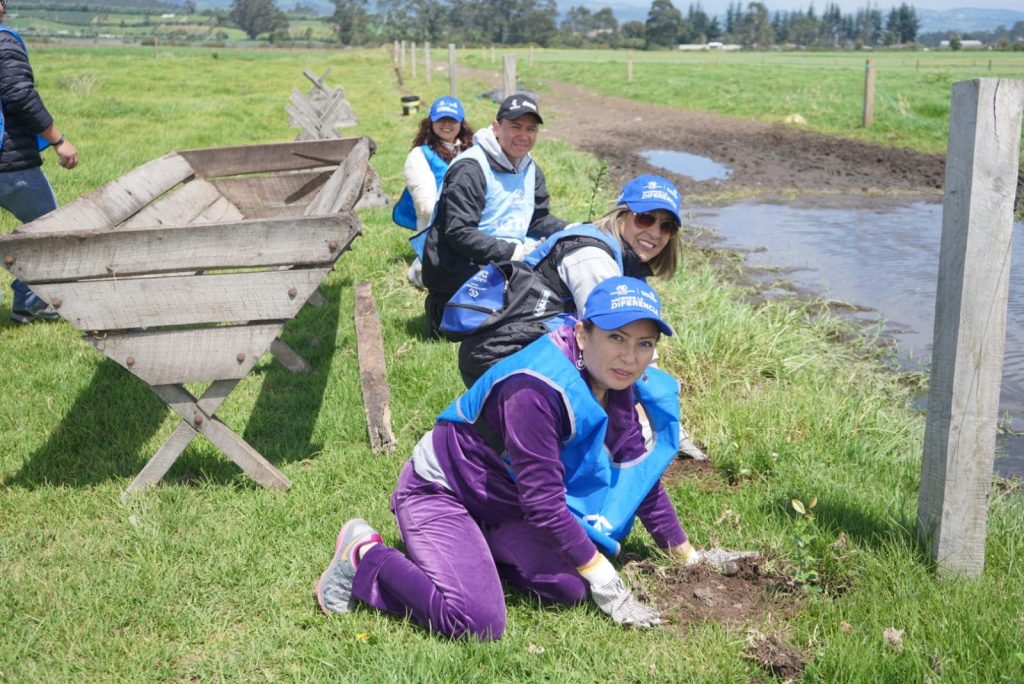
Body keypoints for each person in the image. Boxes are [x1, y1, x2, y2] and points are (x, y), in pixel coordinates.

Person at [315, 277, 756, 639]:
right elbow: (545, 505)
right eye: (616, 338)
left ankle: (473, 553)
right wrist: (607, 576)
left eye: (644, 344)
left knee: (567, 588)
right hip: (443, 491)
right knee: (477, 623)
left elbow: (636, 473)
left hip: (505, 502)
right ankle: (366, 559)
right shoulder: (534, 390)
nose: (629, 356)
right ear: (583, 334)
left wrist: (687, 556)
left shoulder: (614, 379)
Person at [450, 173, 708, 459]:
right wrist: (658, 424)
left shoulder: (624, 259)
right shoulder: (593, 258)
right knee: (610, 363)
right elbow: (622, 342)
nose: (655, 233)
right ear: (622, 215)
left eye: (667, 226)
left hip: (530, 351)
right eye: (645, 218)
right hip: (502, 357)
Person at [419, 93, 567, 338]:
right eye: (515, 126)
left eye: (531, 129)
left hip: (504, 263)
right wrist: (514, 252)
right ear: (496, 127)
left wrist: (570, 228)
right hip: (461, 270)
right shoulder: (471, 168)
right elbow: (459, 232)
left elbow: (538, 219)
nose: (523, 135)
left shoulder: (530, 168)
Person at [0, 1, 78, 324]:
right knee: (49, 230)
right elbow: (19, 95)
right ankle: (30, 300)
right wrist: (59, 140)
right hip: (9, 165)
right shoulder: (4, 42)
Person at [392, 96, 473, 289]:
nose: (447, 124)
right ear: (431, 122)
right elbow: (426, 207)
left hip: (474, 229)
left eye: (452, 119)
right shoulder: (419, 156)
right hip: (437, 232)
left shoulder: (473, 151)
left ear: (461, 123)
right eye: (441, 119)